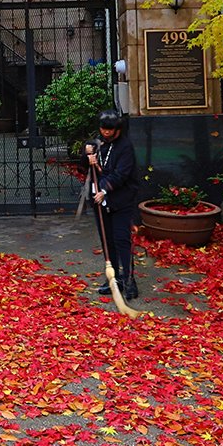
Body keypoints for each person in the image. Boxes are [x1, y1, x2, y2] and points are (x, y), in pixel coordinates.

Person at [84, 108, 140, 301]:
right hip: (99, 202)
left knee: (122, 239)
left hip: (120, 199)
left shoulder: (125, 146)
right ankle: (113, 278)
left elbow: (122, 174)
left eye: (110, 130)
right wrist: (88, 158)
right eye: (103, 129)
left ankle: (129, 279)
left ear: (117, 129)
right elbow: (85, 168)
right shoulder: (97, 144)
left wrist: (105, 190)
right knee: (107, 241)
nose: (106, 133)